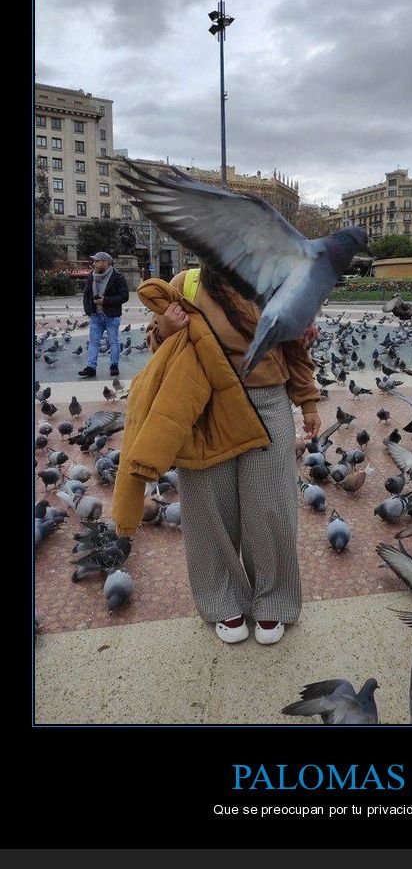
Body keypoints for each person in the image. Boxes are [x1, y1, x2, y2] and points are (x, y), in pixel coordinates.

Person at [111, 263, 321, 646]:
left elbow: (293, 349)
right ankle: (223, 600)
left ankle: (273, 600)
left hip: (268, 402)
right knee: (209, 508)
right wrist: (167, 329)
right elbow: (157, 345)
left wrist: (308, 402)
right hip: (204, 407)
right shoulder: (187, 283)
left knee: (271, 506)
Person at [78, 252, 130, 378]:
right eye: (94, 261)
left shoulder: (118, 277)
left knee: (114, 342)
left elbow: (124, 296)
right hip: (95, 315)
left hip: (111, 316)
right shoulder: (92, 276)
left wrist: (105, 300)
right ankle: (91, 367)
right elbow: (86, 294)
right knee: (93, 342)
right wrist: (88, 310)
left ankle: (114, 366)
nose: (94, 263)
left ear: (106, 263)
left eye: (97, 261)